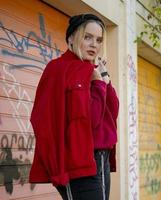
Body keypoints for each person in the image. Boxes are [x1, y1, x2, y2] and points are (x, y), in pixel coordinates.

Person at [29, 14, 119, 200]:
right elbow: (44, 121)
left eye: (99, 40)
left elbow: (112, 112)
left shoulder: (92, 70)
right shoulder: (58, 69)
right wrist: (57, 169)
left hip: (102, 160)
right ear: (71, 38)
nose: (94, 44)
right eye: (87, 37)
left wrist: (104, 79)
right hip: (79, 165)